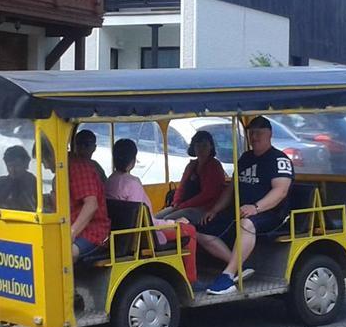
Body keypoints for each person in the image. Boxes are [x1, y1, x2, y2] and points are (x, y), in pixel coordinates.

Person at [195, 116, 294, 295]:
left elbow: (280, 191)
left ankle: (227, 276)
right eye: (251, 133)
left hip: (270, 214)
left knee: (246, 224)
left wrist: (255, 207)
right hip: (240, 211)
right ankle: (241, 268)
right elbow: (232, 189)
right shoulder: (245, 158)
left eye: (259, 133)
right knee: (200, 231)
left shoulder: (279, 159)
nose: (254, 137)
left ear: (269, 134)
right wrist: (214, 210)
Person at [105, 139, 198, 280]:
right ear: (133, 160)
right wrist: (173, 222)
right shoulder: (132, 184)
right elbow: (141, 219)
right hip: (142, 236)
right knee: (189, 230)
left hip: (119, 235)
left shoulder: (110, 181)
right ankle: (191, 279)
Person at [155, 129, 225, 225]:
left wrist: (183, 206)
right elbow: (181, 187)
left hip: (205, 208)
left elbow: (207, 194)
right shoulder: (192, 165)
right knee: (154, 218)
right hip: (184, 205)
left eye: (204, 145)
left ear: (211, 147)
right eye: (197, 145)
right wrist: (176, 203)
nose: (201, 149)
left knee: (168, 220)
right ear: (193, 147)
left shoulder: (214, 166)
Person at [68, 132, 110, 261]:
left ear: (94, 147)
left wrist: (72, 232)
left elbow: (93, 203)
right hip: (75, 221)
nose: (82, 148)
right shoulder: (68, 166)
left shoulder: (86, 168)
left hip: (94, 229)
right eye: (79, 144)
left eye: (86, 145)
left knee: (62, 253)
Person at [0, 145, 37, 212]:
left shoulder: (31, 181)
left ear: (26, 164)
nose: (13, 170)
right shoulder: (0, 183)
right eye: (9, 166)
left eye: (17, 166)